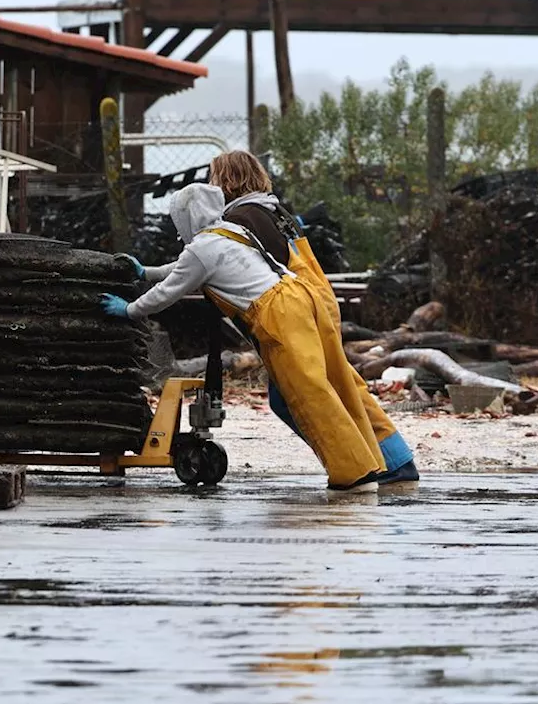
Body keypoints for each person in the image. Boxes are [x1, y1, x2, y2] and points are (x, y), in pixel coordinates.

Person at [101, 183, 387, 494]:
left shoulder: (203, 248)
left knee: (309, 396)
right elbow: (184, 267)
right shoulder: (227, 231)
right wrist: (146, 272)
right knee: (328, 386)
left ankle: (354, 475)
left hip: (278, 314)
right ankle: (366, 465)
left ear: (187, 216)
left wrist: (129, 310)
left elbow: (168, 292)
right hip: (301, 299)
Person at [208, 151, 419, 486]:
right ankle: (395, 460)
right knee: (343, 385)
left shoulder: (241, 216)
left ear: (225, 181)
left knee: (305, 395)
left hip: (295, 308)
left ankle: (358, 465)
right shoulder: (272, 208)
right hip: (318, 297)